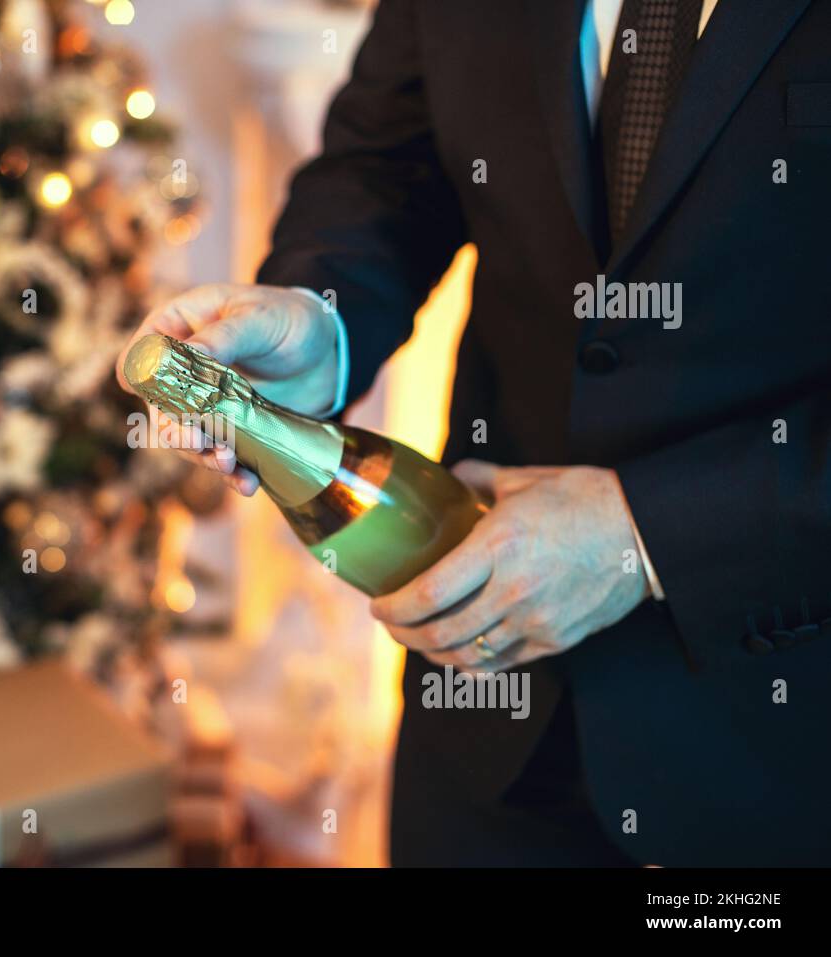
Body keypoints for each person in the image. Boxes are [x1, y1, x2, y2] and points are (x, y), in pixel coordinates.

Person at [117, 0, 831, 866]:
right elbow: (386, 167)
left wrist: (646, 532)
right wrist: (320, 323)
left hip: (782, 749)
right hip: (486, 717)